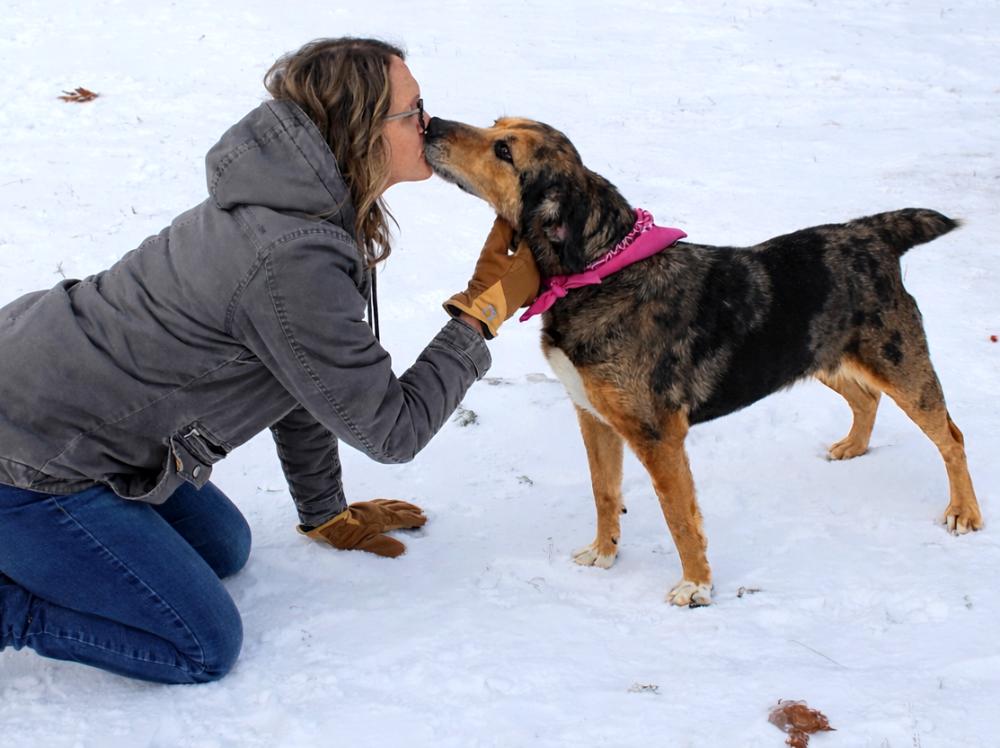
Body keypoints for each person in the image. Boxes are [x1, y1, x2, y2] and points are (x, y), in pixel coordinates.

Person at [0, 37, 539, 685]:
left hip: (63, 407)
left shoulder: (299, 200)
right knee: (199, 646)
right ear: (361, 129)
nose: (430, 124)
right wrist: (481, 313)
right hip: (27, 452)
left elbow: (300, 374)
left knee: (223, 549)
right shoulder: (293, 254)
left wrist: (324, 511)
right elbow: (392, 431)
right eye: (414, 110)